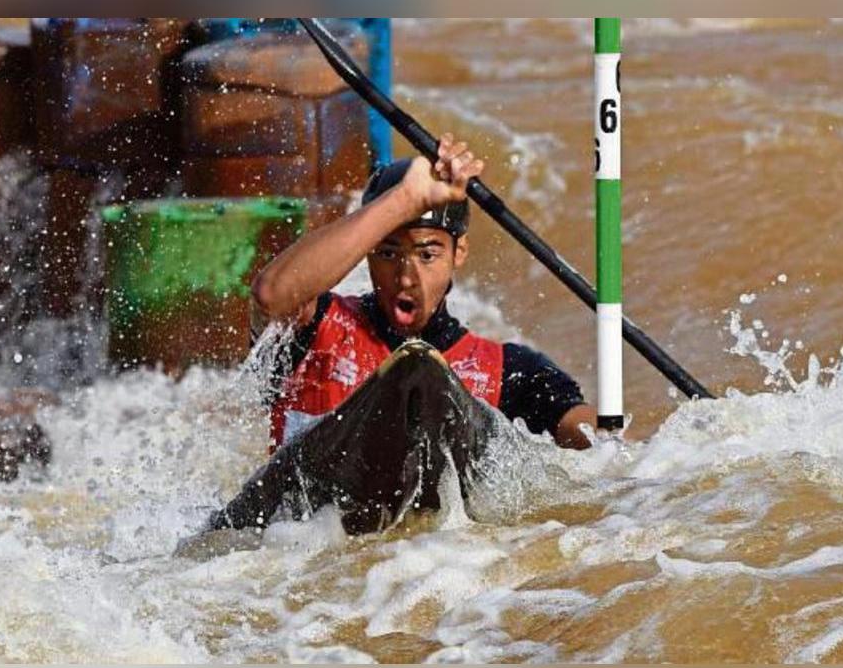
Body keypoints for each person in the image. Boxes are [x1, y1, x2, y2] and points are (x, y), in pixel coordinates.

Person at [251, 133, 597, 451]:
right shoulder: (313, 329)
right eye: (387, 253)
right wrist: (405, 201)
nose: (406, 278)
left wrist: (615, 440)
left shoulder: (510, 373)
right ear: (367, 251)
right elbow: (271, 294)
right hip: (302, 519)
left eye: (427, 255)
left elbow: (597, 444)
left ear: (458, 252)